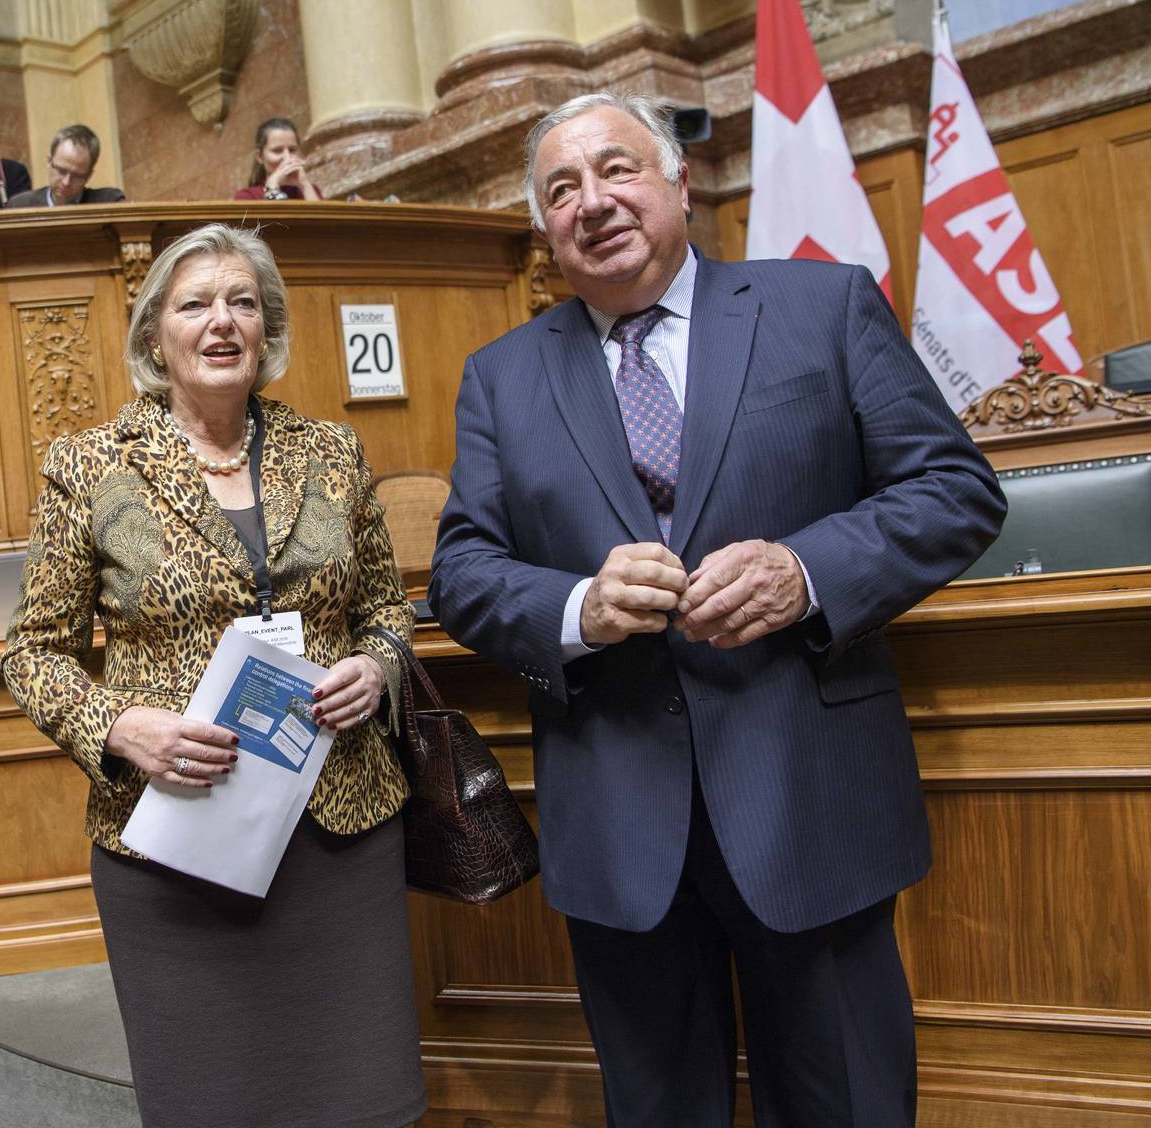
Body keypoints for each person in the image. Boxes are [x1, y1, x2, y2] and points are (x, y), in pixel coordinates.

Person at [430, 91, 1005, 1126]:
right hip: (617, 819)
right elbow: (465, 569)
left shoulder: (821, 306)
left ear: (678, 182)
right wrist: (578, 607)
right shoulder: (501, 377)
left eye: (617, 170)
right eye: (562, 189)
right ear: (544, 226)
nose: (592, 202)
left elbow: (954, 490)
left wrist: (804, 567)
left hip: (806, 794)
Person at [1, 222, 425, 1128]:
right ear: (156, 334)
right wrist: (121, 728)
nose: (221, 322)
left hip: (339, 824)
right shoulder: (91, 466)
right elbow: (31, 651)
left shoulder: (333, 452)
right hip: (181, 838)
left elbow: (389, 608)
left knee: (364, 1100)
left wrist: (377, 667)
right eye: (195, 304)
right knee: (211, 1101)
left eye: (243, 303)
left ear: (268, 329)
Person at [4, 123, 126, 208]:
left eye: (77, 176)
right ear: (49, 162)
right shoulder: (21, 205)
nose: (66, 182)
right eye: (61, 171)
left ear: (89, 176)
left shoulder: (109, 202)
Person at [232, 117, 323, 200]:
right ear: (259, 157)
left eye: (292, 150)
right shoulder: (247, 196)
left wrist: (304, 184)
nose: (287, 157)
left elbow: (323, 218)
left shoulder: (311, 190)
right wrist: (272, 189)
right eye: (277, 151)